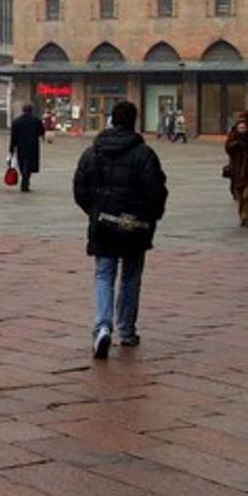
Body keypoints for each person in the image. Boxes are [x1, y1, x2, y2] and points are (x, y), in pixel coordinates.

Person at [72, 100, 168, 358]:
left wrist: (95, 212)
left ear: (112, 120)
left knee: (104, 274)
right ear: (134, 121)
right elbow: (156, 191)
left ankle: (102, 328)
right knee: (130, 277)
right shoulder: (144, 153)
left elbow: (80, 188)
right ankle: (126, 330)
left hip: (103, 223)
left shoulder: (93, 151)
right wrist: (151, 216)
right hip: (134, 225)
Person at [9, 104, 44, 193]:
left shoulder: (17, 121)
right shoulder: (36, 120)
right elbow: (41, 132)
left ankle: (24, 177)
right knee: (30, 164)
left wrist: (11, 149)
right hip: (32, 146)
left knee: (22, 162)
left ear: (23, 110)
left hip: (20, 146)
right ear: (31, 110)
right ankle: (26, 180)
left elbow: (13, 137)